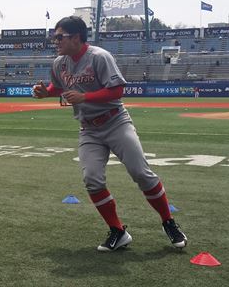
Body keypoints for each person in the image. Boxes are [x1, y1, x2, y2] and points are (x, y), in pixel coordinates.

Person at [33, 16, 187, 252]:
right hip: (89, 129)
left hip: (116, 122)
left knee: (141, 173)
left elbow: (117, 90)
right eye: (55, 37)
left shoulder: (99, 56)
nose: (56, 41)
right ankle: (118, 231)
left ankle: (169, 222)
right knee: (92, 180)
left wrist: (85, 97)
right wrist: (46, 93)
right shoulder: (59, 63)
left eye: (60, 37)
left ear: (76, 37)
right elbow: (58, 88)